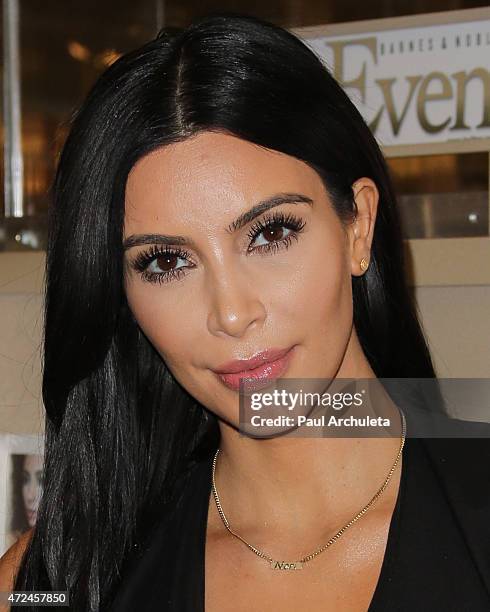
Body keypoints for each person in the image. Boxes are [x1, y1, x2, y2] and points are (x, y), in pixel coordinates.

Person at [1, 12, 489, 612]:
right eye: (165, 263)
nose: (231, 314)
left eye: (270, 233)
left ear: (358, 226)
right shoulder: (52, 582)